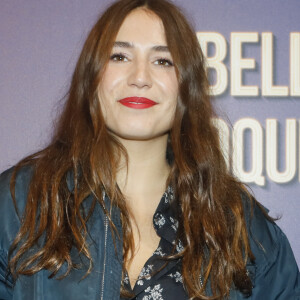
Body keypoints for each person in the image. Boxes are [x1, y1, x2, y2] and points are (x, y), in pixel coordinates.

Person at [0, 0, 299, 299]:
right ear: (91, 76)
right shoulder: (19, 205)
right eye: (119, 56)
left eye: (163, 61)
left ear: (186, 84)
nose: (140, 77)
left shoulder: (241, 229)